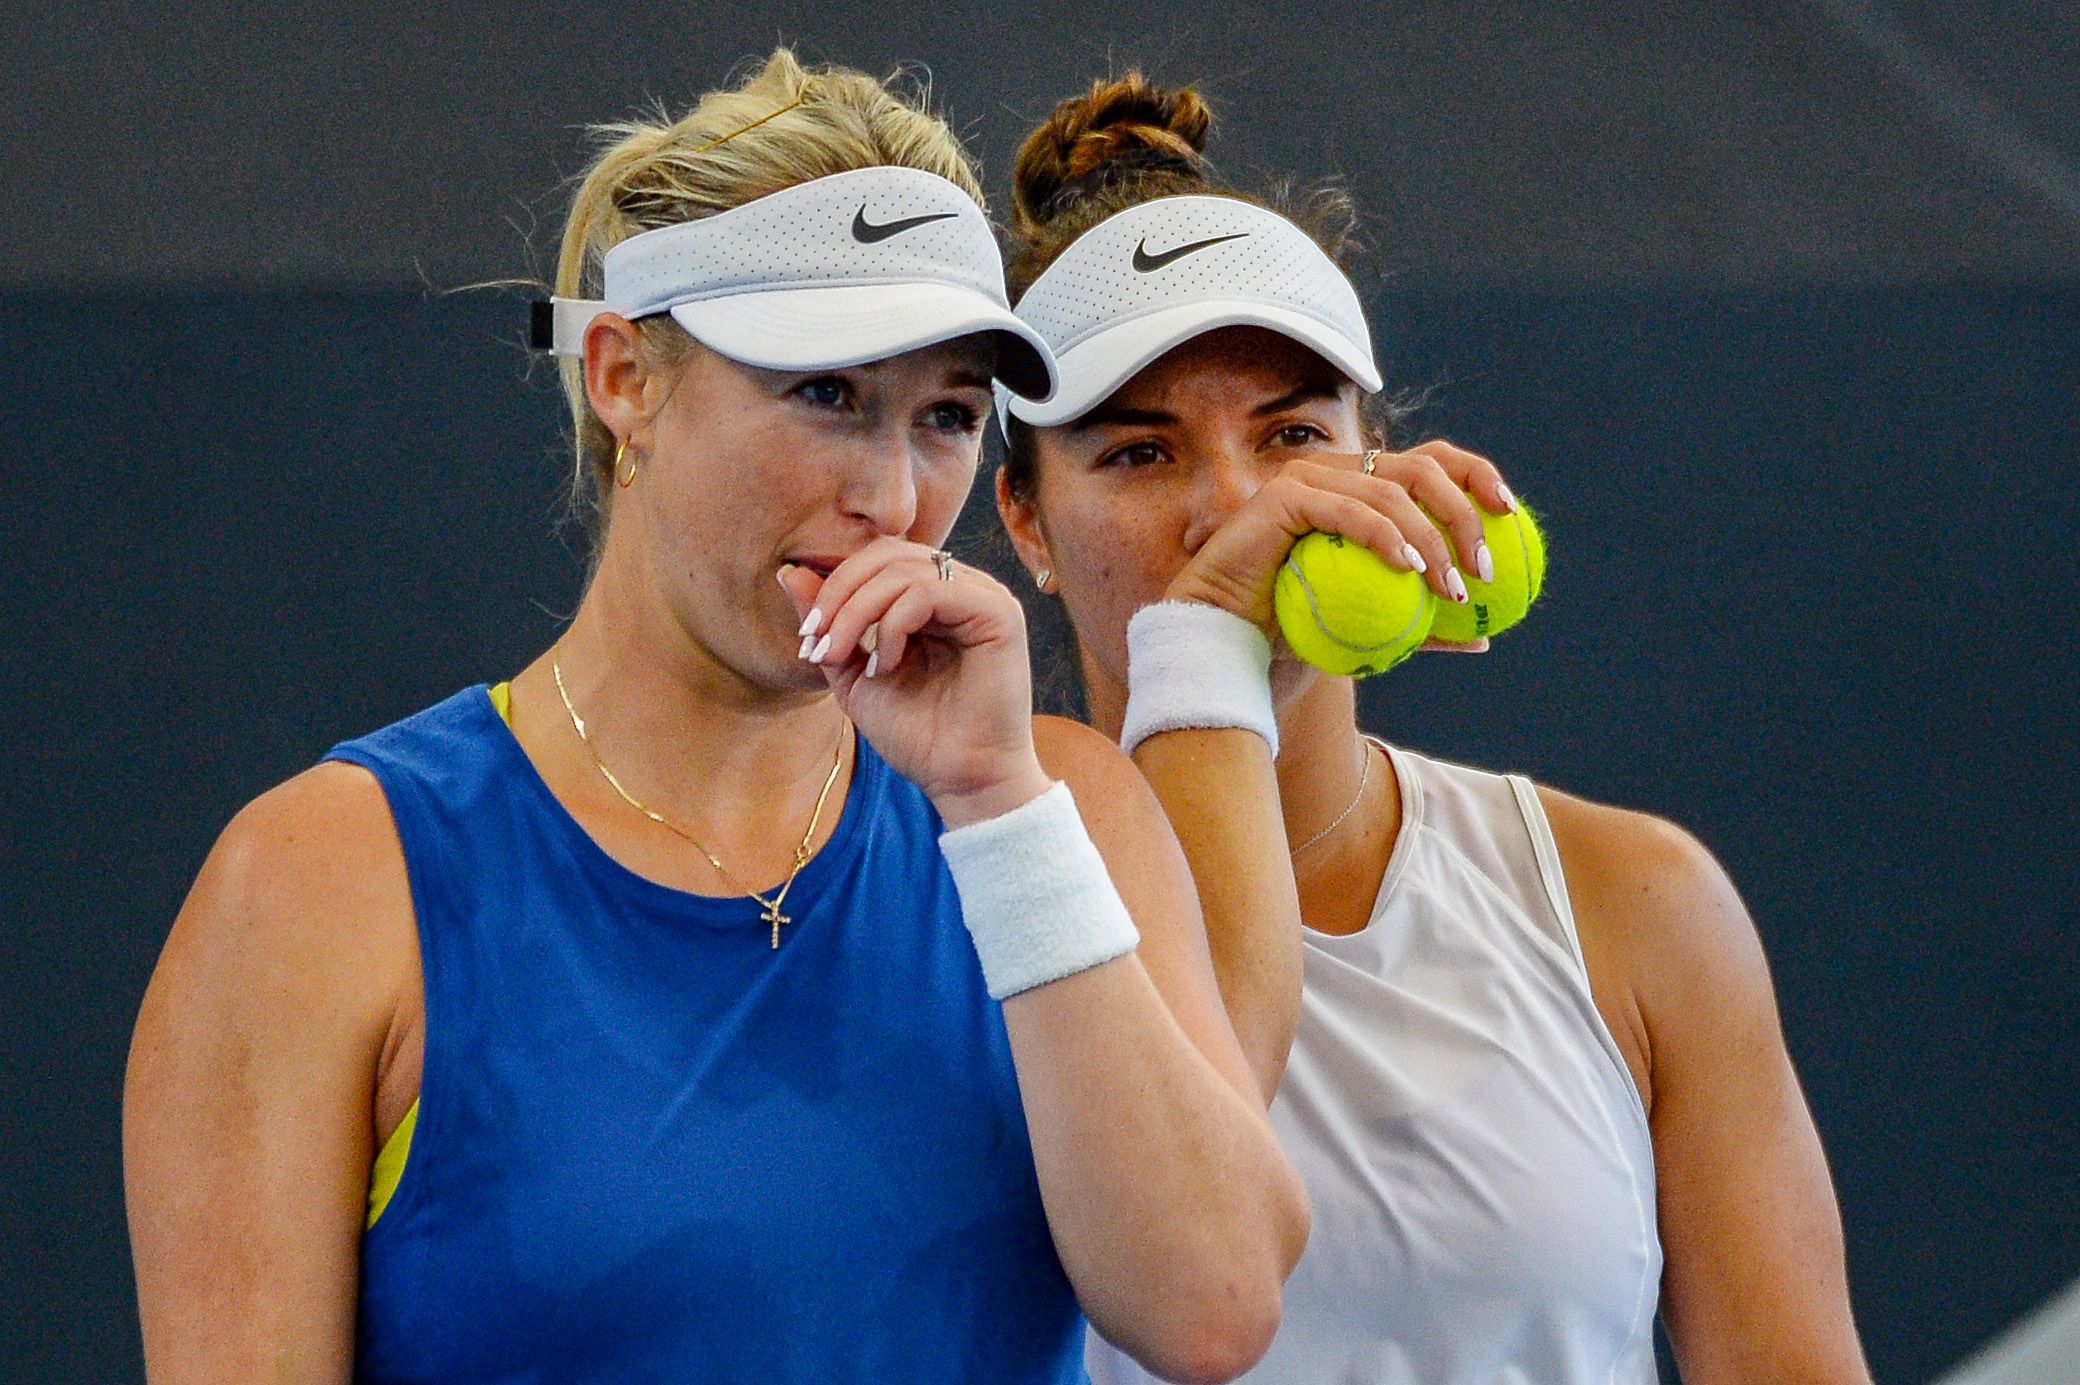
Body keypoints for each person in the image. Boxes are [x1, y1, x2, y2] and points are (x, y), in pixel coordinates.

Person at [123, 52, 1309, 1383]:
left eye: (948, 416)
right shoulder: (316, 885)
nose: (893, 492)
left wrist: (992, 804)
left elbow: (1212, 1310)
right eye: (827, 395)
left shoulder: (1061, 809)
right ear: (625, 377)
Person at [993, 74, 1873, 1383]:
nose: (1233, 506)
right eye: (1140, 453)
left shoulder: (1635, 903)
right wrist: (1204, 659)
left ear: (1377, 459)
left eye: (1292, 433)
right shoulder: (942, 925)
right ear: (1024, 523)